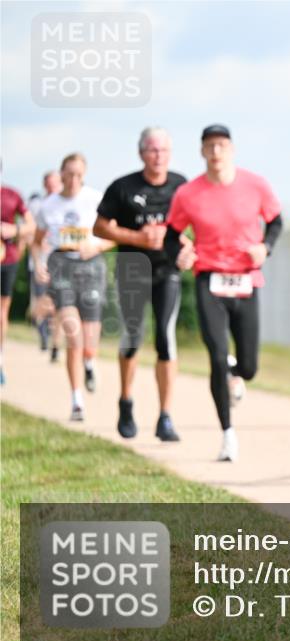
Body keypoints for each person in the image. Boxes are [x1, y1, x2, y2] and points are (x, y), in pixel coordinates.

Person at [165, 125, 282, 462]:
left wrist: (265, 247)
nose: (216, 152)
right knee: (216, 356)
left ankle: (237, 372)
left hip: (246, 279)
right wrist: (181, 253)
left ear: (231, 148)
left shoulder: (255, 184)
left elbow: (276, 222)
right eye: (209, 147)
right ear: (202, 151)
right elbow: (172, 235)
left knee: (249, 367)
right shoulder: (188, 193)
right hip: (209, 280)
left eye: (221, 146)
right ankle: (228, 434)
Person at [94, 127, 187, 442]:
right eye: (152, 150)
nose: (158, 156)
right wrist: (138, 238)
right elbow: (100, 227)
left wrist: (187, 248)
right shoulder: (122, 187)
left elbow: (192, 227)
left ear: (170, 154)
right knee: (133, 336)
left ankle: (165, 417)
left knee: (165, 337)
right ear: (141, 153)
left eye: (163, 150)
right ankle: (126, 401)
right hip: (132, 268)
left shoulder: (181, 186)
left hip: (167, 270)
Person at [32, 153, 114, 420]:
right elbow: (37, 240)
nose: (74, 179)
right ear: (61, 174)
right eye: (69, 174)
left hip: (90, 266)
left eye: (79, 174)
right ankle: (76, 400)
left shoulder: (96, 199)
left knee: (89, 341)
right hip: (61, 265)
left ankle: (90, 362)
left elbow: (114, 234)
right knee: (72, 335)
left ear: (84, 175)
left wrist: (98, 245)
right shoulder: (49, 205)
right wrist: (39, 262)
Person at [1, 174, 37, 385]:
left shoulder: (12, 195)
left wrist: (13, 229)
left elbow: (30, 225)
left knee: (2, 312)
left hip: (7, 259)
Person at [28, 171, 63, 360]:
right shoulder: (36, 205)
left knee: (59, 305)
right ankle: (39, 325)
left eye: (55, 184)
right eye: (48, 184)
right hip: (39, 262)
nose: (52, 187)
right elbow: (28, 232)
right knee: (41, 303)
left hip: (60, 263)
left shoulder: (65, 204)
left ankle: (56, 346)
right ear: (44, 185)